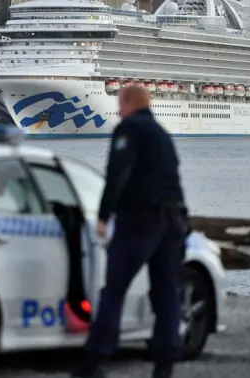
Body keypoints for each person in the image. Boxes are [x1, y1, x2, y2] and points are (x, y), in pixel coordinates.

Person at [71, 85, 188, 378]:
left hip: (139, 219)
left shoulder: (130, 128)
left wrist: (103, 215)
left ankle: (94, 359)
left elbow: (117, 171)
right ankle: (165, 362)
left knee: (114, 289)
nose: (118, 109)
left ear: (127, 103)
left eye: (119, 102)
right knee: (166, 292)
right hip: (172, 220)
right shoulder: (162, 134)